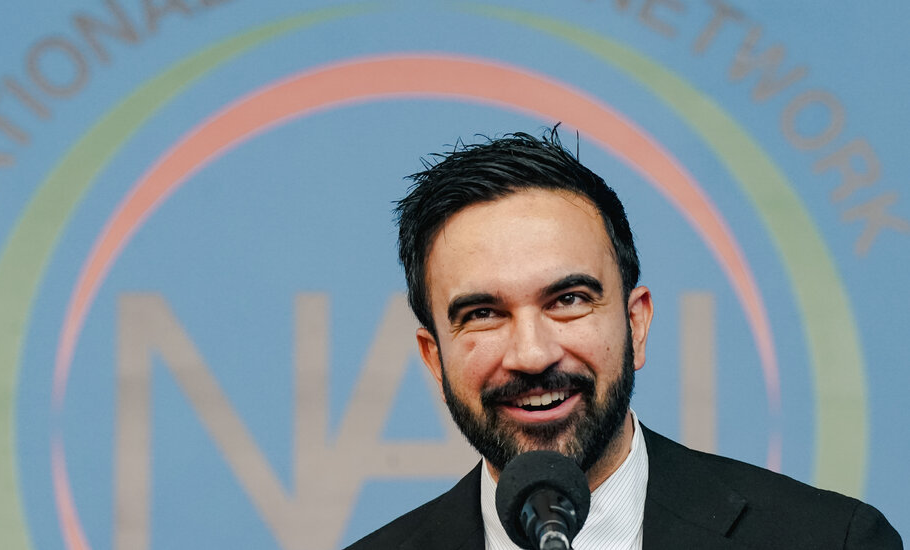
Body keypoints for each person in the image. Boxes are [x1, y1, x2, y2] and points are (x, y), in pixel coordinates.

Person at [345, 129, 901, 549]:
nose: (532, 355)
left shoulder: (831, 540)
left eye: (568, 300)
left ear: (636, 323)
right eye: (484, 313)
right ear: (433, 357)